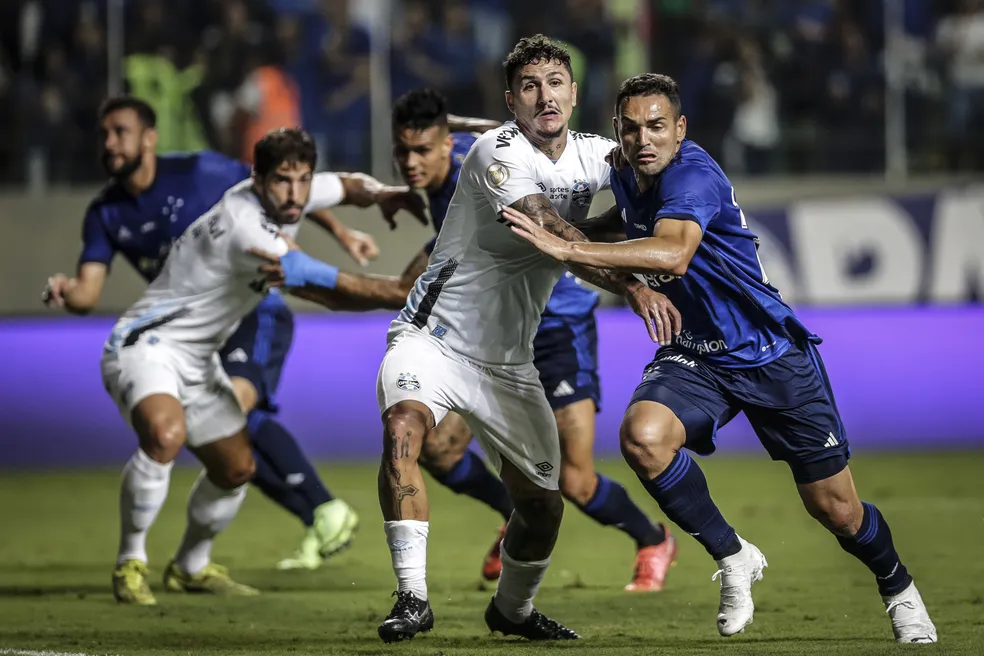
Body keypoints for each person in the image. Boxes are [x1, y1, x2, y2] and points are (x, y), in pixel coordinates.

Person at [503, 72, 938, 644]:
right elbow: (624, 228)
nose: (644, 139)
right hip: (698, 354)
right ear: (618, 131)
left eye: (657, 126)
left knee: (837, 511)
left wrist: (568, 246)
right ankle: (733, 555)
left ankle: (898, 587)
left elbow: (673, 252)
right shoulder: (626, 173)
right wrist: (573, 235)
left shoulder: (692, 173)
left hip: (769, 353)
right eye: (631, 128)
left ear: (680, 129)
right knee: (643, 437)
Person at [42, 97, 424, 600]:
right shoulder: (246, 227)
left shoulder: (289, 191)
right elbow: (325, 289)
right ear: (257, 181)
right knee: (165, 433)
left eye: (302, 181)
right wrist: (402, 292)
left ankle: (191, 565)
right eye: (282, 182)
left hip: (198, 358)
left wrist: (386, 194)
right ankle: (130, 562)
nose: (295, 194)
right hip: (144, 344)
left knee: (236, 468)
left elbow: (348, 185)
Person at [368, 36, 680, 643]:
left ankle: (511, 612)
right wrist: (636, 285)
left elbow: (656, 171)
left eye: (555, 82)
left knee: (544, 505)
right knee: (405, 427)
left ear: (573, 92)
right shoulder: (495, 150)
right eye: (530, 86)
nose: (545, 95)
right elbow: (554, 230)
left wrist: (685, 181)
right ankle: (412, 597)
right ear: (512, 101)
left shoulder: (596, 155)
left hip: (510, 362)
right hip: (432, 338)